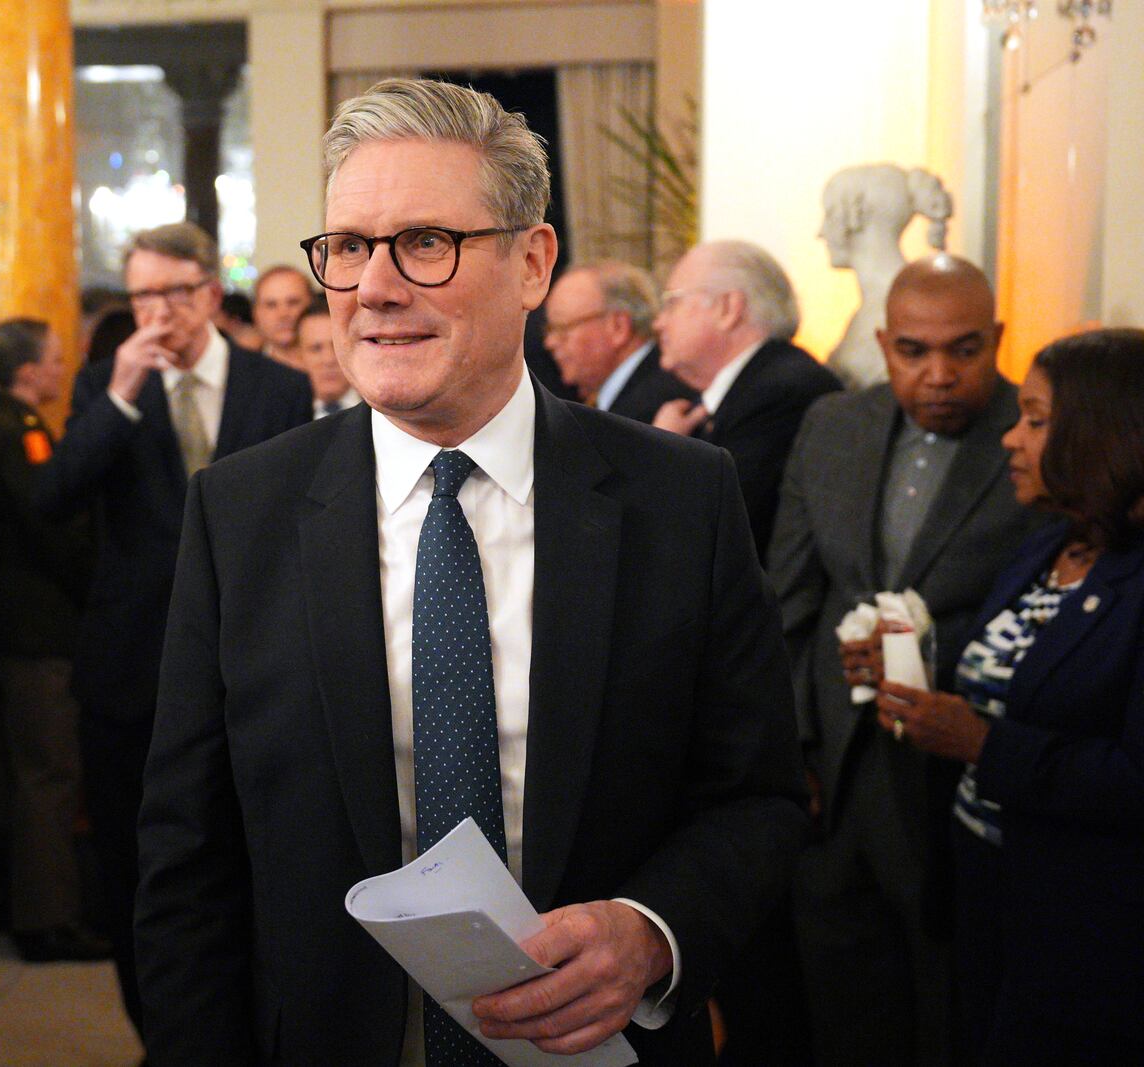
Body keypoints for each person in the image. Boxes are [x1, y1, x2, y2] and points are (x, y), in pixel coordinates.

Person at [133, 77, 806, 1066]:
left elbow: (758, 797)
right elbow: (186, 857)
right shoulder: (239, 514)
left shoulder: (680, 501)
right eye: (350, 247)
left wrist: (649, 929)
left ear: (532, 261)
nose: (374, 286)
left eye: (424, 243)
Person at [35, 221, 312, 1037]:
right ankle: (160, 1035)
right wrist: (118, 395)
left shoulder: (277, 385)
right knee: (138, 867)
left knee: (251, 855)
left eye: (175, 292)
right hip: (132, 664)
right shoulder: (107, 385)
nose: (159, 311)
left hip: (257, 660)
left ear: (209, 294)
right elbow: (53, 499)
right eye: (143, 295)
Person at [767, 254, 1045, 1066]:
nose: (940, 374)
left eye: (964, 349)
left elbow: (1045, 617)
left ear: (995, 339)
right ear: (884, 344)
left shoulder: (1033, 434)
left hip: (960, 782)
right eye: (915, 351)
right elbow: (786, 605)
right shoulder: (833, 426)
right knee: (843, 1006)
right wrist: (792, 757)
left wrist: (930, 650)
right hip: (834, 779)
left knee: (949, 1011)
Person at [871, 328, 1144, 1065]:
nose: (1010, 439)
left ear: (1101, 431)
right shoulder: (1047, 545)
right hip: (989, 889)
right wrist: (915, 659)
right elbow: (1019, 675)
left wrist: (983, 744)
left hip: (1088, 935)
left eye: (1034, 417)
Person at [0, 317, 109, 963]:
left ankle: (5, 898)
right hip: (36, 628)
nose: (61, 370)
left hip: (4, 626)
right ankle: (45, 919)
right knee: (49, 773)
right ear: (27, 371)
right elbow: (47, 526)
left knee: (11, 767)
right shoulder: (17, 433)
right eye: (54, 359)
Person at [652, 239, 842, 557]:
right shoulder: (749, 389)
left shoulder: (782, 393)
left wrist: (661, 451)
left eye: (672, 303)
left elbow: (718, 529)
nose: (659, 322)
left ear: (728, 309)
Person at [819, 164, 953, 389]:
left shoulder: (904, 308)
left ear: (855, 217)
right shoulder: (875, 306)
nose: (821, 231)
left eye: (830, 214)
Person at [542, 260, 695, 422]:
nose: (550, 342)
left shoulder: (658, 406)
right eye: (550, 330)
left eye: (563, 329)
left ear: (618, 327)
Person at [297, 294, 360, 417]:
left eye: (336, 346)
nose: (328, 360)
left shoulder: (382, 413)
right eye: (316, 349)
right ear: (299, 356)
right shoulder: (282, 416)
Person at [251, 264, 313, 370]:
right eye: (271, 305)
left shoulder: (344, 368)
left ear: (312, 304)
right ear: (256, 313)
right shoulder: (244, 372)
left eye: (293, 302)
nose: (283, 314)